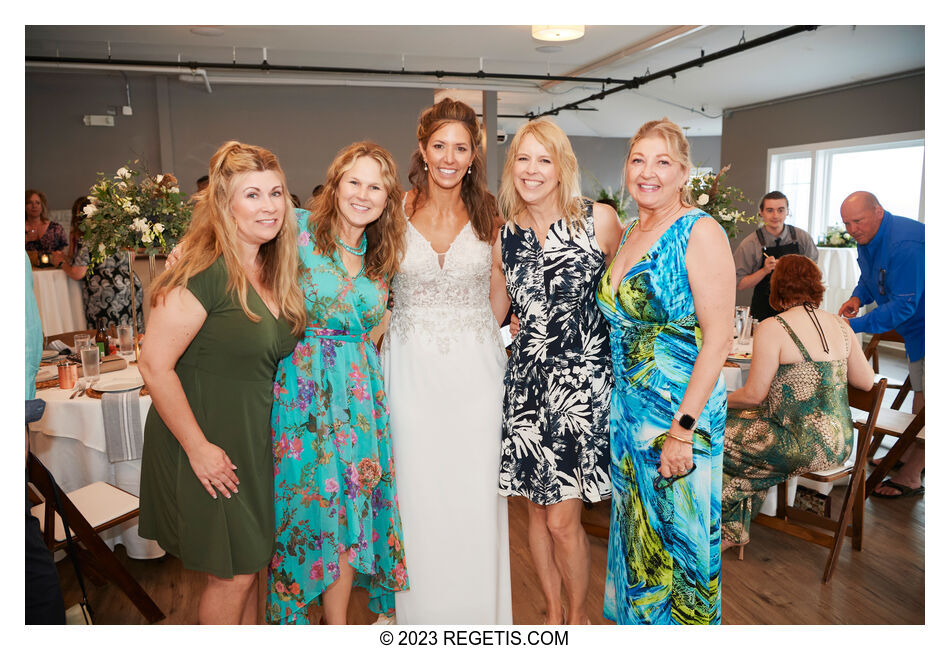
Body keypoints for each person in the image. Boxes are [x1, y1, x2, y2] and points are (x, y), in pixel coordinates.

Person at [138, 141, 306, 625]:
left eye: (276, 193)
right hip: (209, 441)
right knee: (231, 574)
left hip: (253, 440)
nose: (269, 206)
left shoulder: (274, 267)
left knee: (250, 565)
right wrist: (198, 448)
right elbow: (153, 365)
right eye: (252, 195)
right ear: (225, 205)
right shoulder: (203, 269)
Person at [595, 118, 734, 625]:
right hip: (628, 417)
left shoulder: (699, 231)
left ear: (683, 174)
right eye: (638, 160)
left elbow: (718, 338)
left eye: (662, 162)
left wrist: (682, 430)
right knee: (640, 544)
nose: (647, 172)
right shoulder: (632, 230)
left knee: (680, 551)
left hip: (678, 418)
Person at [380, 98, 512, 624]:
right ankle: (417, 618)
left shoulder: (490, 213)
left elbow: (499, 290)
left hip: (477, 374)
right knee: (414, 492)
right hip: (409, 370)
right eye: (440, 146)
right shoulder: (395, 210)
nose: (450, 158)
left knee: (474, 494)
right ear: (423, 149)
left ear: (474, 153)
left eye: (461, 147)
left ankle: (478, 616)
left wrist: (481, 331)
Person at [267, 142, 409, 625]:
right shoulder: (298, 228)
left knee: (350, 518)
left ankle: (338, 627)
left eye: (376, 187)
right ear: (335, 183)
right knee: (308, 511)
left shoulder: (382, 254)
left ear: (388, 199)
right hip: (302, 393)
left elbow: (379, 319)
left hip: (360, 400)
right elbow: (237, 236)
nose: (363, 194)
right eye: (354, 182)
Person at [496, 119, 622, 625]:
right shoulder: (505, 235)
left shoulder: (600, 221)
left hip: (583, 390)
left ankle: (577, 619)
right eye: (523, 159)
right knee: (535, 512)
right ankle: (550, 617)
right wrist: (515, 337)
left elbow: (631, 298)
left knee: (564, 519)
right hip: (526, 389)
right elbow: (492, 317)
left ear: (562, 166)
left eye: (543, 159)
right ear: (512, 168)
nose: (532, 170)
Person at [721, 255, 875, 552]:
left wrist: (716, 401)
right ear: (817, 286)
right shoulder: (841, 326)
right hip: (840, 444)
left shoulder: (772, 327)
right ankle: (730, 530)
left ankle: (720, 528)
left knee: (710, 434)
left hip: (798, 444)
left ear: (776, 287)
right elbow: (867, 383)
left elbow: (754, 395)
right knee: (742, 437)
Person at [837, 191, 925, 498]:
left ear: (878, 212)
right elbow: (872, 278)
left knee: (930, 402)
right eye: (846, 223)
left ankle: (912, 475)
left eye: (857, 221)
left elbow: (903, 305)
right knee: (920, 389)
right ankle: (906, 453)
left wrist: (855, 326)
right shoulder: (867, 239)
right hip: (917, 329)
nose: (852, 229)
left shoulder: (905, 244)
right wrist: (858, 297)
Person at [56, 196, 145, 332]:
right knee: (132, 335)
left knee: (110, 337)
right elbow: (131, 258)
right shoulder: (118, 234)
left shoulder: (90, 238)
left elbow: (78, 272)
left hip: (105, 293)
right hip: (130, 286)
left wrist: (61, 263)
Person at [733, 191, 818, 321]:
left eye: (780, 210)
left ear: (787, 211)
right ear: (761, 212)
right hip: (764, 309)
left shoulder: (802, 238)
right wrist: (764, 271)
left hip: (799, 308)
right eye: (770, 210)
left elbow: (815, 275)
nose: (775, 215)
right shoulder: (749, 244)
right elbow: (740, 284)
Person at [25, 189, 67, 262]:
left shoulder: (55, 228)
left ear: (42, 206)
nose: (34, 206)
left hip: (52, 271)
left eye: (38, 203)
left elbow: (65, 252)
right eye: (29, 203)